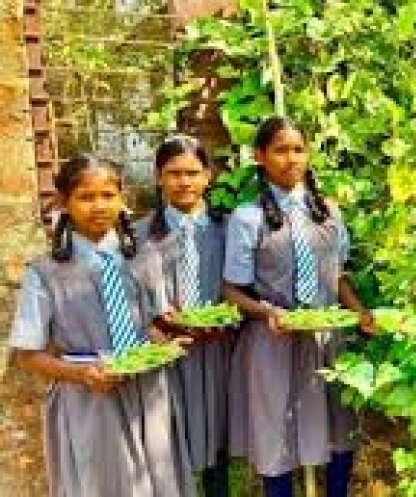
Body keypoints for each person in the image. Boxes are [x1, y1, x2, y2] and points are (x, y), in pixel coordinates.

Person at [8, 153, 195, 497]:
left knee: (158, 484)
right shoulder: (45, 273)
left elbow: (151, 325)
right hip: (88, 400)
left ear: (122, 199)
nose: (99, 206)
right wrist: (82, 373)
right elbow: (28, 355)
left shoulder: (144, 258)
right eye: (86, 197)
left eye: (108, 195)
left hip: (148, 393)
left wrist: (165, 344)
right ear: (64, 203)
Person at [223, 116, 375, 497]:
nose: (291, 159)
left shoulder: (329, 213)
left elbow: (337, 276)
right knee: (277, 438)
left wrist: (359, 312)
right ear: (260, 156)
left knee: (340, 429)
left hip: (327, 340)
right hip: (273, 343)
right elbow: (232, 291)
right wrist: (269, 312)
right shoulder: (247, 218)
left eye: (298, 150)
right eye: (280, 151)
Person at [135, 135, 231, 496]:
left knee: (217, 440)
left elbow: (246, 287)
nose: (184, 182)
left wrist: (226, 317)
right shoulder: (139, 235)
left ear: (208, 176)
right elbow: (128, 296)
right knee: (169, 441)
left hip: (219, 351)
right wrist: (154, 323)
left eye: (192, 173)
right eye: (174, 173)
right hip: (166, 353)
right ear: (159, 177)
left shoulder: (228, 229)